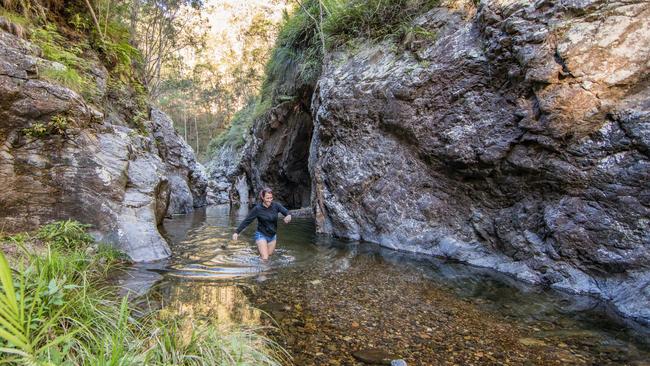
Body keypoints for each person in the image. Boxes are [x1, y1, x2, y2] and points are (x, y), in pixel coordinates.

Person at [232, 187, 291, 261]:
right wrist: (237, 232)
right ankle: (265, 272)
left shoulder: (276, 206)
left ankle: (259, 262)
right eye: (267, 198)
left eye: (271, 198)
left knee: (269, 256)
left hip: (273, 236)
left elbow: (287, 212)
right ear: (262, 197)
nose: (270, 200)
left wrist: (288, 216)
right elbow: (247, 221)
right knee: (265, 258)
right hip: (261, 235)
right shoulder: (257, 209)